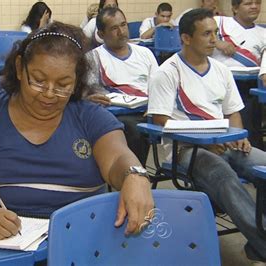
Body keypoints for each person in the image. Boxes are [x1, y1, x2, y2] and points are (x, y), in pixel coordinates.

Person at [0, 22, 154, 240]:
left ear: (76, 82)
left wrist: (134, 175)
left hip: (79, 244)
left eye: (63, 84)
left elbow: (117, 159)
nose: (49, 93)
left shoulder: (91, 119)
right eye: (38, 80)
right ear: (19, 68)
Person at [147, 8, 266, 263]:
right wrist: (203, 143)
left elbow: (233, 111)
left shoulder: (221, 71)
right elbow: (160, 120)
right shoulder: (167, 72)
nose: (214, 39)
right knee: (224, 176)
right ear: (186, 38)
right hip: (184, 149)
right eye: (206, 34)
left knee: (263, 165)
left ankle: (258, 244)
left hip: (225, 143)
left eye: (215, 33)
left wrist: (237, 135)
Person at [84, 7, 158, 166]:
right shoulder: (93, 58)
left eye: (123, 25)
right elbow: (86, 94)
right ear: (102, 34)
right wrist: (90, 98)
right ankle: (134, 175)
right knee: (134, 130)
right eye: (114, 28)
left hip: (146, 112)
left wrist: (154, 106)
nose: (122, 31)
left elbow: (158, 88)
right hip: (114, 115)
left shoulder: (145, 54)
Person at [212, 0, 265, 149]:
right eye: (248, 3)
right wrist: (217, 42)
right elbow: (190, 30)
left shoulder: (263, 33)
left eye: (257, 3)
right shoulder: (219, 22)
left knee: (250, 126)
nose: (254, 6)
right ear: (235, 8)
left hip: (249, 87)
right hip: (219, 83)